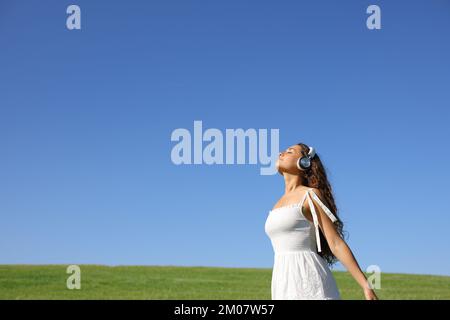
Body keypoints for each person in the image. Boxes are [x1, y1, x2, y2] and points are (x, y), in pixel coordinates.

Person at [264, 143, 378, 300]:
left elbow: (335, 242)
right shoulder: (277, 203)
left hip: (310, 280)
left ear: (304, 162)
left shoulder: (310, 195)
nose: (281, 153)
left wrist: (366, 286)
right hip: (282, 281)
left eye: (290, 151)